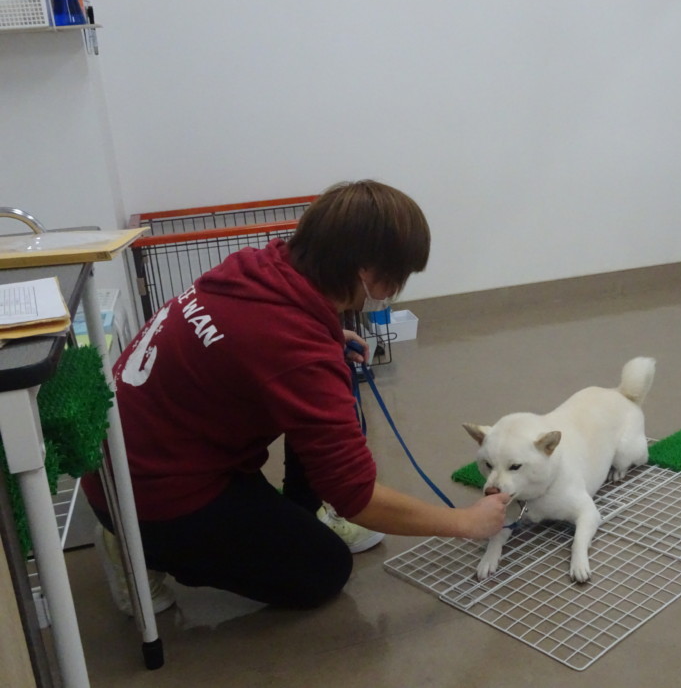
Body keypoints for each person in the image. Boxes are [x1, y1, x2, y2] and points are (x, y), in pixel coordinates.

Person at [82, 180, 510, 613]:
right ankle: (134, 549)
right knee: (322, 570)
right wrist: (464, 522)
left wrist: (328, 340)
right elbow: (357, 495)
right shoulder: (296, 353)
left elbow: (266, 344)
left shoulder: (257, 266)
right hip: (150, 499)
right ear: (365, 271)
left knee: (331, 389)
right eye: (395, 279)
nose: (392, 291)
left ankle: (302, 515)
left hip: (134, 457)